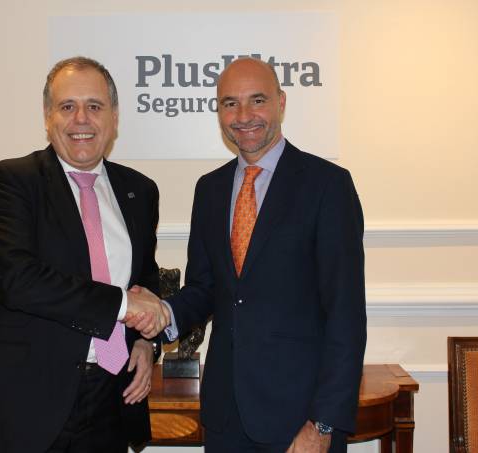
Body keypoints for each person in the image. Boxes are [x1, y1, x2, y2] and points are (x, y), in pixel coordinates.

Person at [129, 57, 367, 452]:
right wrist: (164, 313)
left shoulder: (328, 186)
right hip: (226, 418)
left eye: (257, 100)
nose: (243, 116)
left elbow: (346, 315)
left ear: (281, 102)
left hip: (300, 421)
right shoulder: (210, 189)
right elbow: (205, 288)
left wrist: (323, 424)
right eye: (230, 103)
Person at [0, 56, 169, 453]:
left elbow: (145, 278)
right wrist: (124, 305)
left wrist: (145, 342)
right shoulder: (10, 181)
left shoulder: (139, 190)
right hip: (26, 406)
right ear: (47, 116)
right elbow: (19, 281)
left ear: (114, 117)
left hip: (110, 398)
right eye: (67, 106)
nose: (81, 119)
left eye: (94, 106)